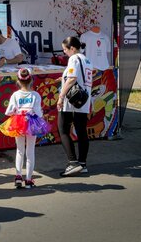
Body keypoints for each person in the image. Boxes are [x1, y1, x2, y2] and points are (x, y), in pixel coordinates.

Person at [57, 36, 93, 176]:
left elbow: (72, 79)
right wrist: (63, 79)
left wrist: (60, 97)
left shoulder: (74, 59)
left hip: (71, 101)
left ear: (72, 48)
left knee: (63, 129)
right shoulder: (86, 59)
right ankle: (82, 164)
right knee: (81, 131)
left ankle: (72, 162)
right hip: (83, 100)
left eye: (65, 49)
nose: (64, 52)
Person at [4, 68, 44, 189]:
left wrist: (18, 111)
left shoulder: (15, 95)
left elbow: (9, 112)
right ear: (31, 80)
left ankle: (18, 176)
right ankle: (29, 179)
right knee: (30, 150)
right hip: (32, 122)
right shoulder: (36, 95)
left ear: (18, 81)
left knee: (19, 150)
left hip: (18, 122)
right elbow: (39, 113)